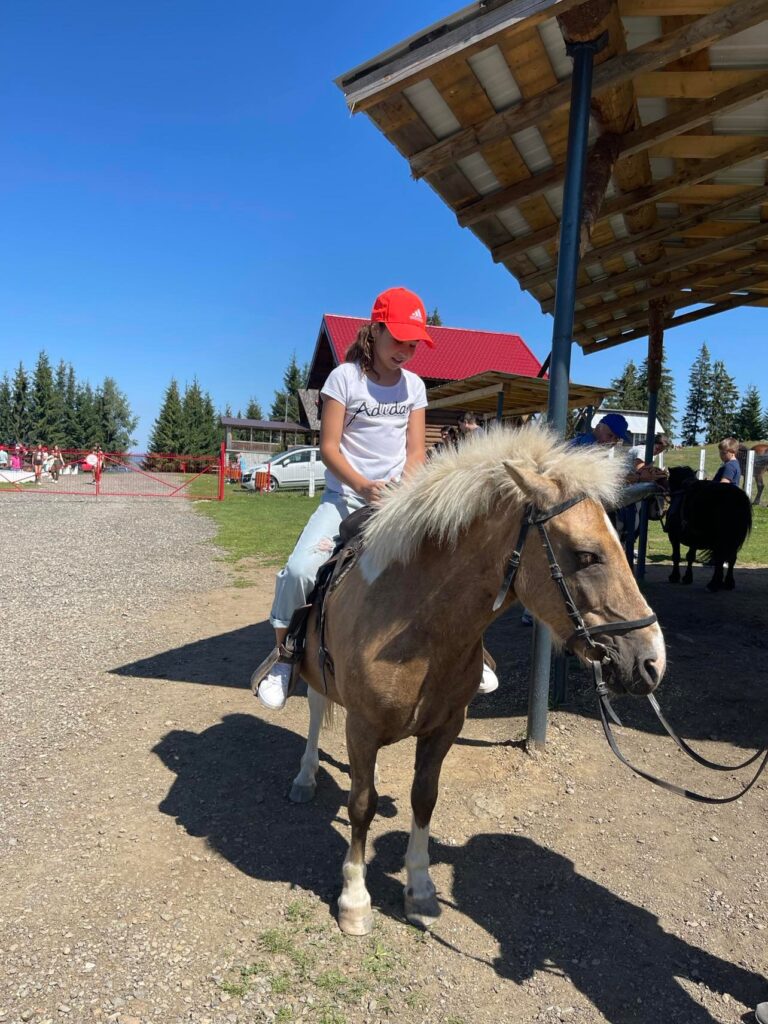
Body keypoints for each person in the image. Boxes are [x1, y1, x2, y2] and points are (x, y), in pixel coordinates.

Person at [254, 286, 497, 710]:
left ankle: (473, 653)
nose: (406, 350)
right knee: (299, 570)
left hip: (398, 501)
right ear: (375, 330)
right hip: (346, 499)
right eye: (399, 339)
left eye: (414, 343)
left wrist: (403, 490)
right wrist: (365, 487)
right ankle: (286, 655)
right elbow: (329, 447)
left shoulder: (415, 388)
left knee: (457, 559)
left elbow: (416, 450)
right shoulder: (344, 379)